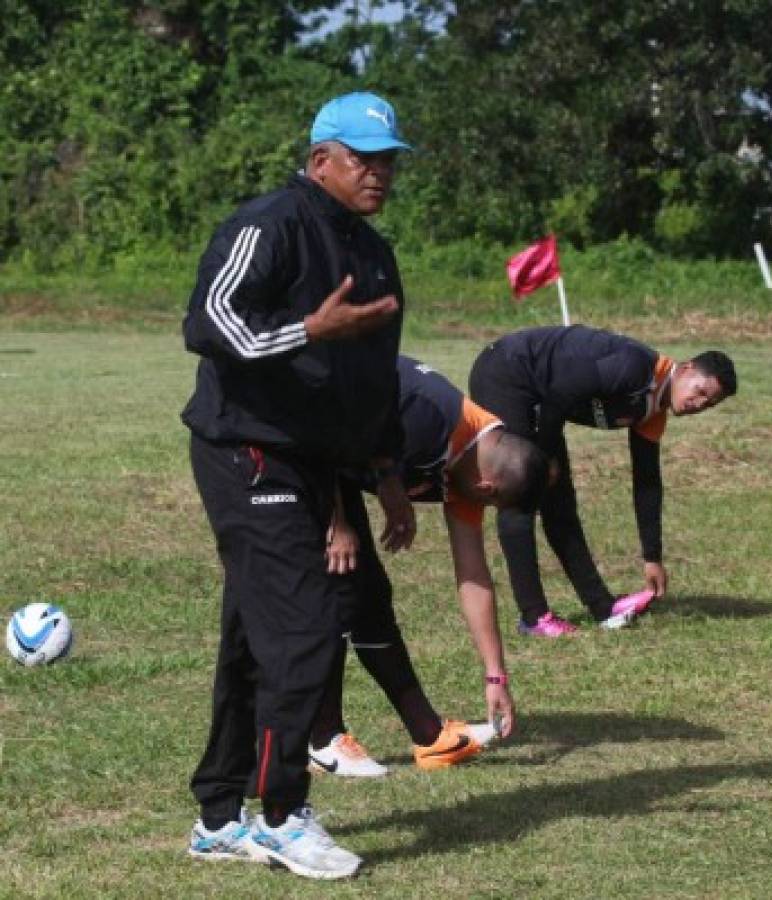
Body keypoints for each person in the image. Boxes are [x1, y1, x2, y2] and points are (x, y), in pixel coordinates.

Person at [181, 91, 417, 880]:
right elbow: (211, 322)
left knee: (255, 641)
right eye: (362, 159)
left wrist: (384, 474)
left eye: (387, 160)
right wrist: (307, 330)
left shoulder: (373, 252)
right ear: (321, 159)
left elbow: (373, 379)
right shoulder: (270, 222)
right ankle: (282, 814)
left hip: (313, 461)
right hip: (247, 449)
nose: (378, 173)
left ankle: (220, 818)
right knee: (306, 629)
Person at [306, 355, 550, 777]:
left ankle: (430, 737)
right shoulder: (428, 422)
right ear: (487, 488)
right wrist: (337, 522)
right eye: (489, 504)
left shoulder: (475, 459)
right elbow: (318, 434)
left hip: (335, 470)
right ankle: (321, 740)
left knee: (371, 598)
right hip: (294, 452)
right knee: (337, 591)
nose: (481, 509)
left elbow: (473, 574)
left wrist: (496, 676)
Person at [468, 325, 737, 637]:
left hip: (544, 398)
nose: (699, 403)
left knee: (561, 504)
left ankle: (603, 607)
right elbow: (560, 395)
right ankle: (534, 617)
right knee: (520, 492)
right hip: (507, 371)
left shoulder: (652, 413)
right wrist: (545, 458)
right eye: (700, 391)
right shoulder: (635, 367)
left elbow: (647, 483)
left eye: (710, 403)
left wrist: (652, 557)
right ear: (686, 368)